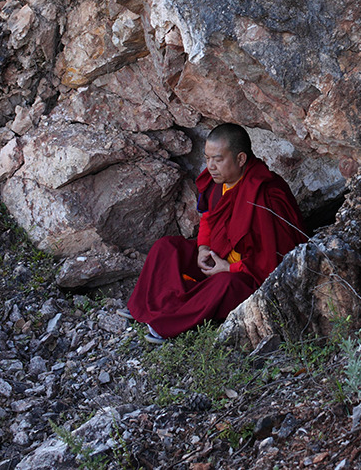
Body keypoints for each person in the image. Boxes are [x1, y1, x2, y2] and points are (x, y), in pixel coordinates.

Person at [120, 123, 307, 343]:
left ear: (240, 159)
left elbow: (273, 262)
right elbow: (208, 218)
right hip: (217, 256)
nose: (210, 166)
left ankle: (168, 322)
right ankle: (146, 306)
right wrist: (203, 249)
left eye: (218, 159)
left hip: (248, 275)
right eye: (207, 158)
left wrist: (228, 268)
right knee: (167, 247)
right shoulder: (217, 182)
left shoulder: (266, 192)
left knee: (223, 284)